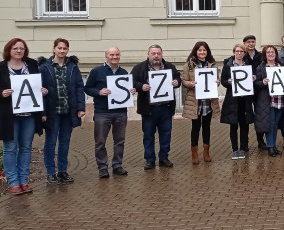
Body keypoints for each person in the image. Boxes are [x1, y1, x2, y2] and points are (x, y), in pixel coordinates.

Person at [0, 38, 47, 196]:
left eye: (22, 48)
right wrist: (1, 93)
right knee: (10, 148)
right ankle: (13, 182)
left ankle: (23, 181)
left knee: (26, 148)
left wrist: (42, 91)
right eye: (15, 48)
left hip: (28, 115)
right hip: (9, 116)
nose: (19, 51)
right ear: (9, 50)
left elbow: (36, 85)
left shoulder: (32, 65)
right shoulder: (1, 67)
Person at [38, 38, 86, 184]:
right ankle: (51, 172)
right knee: (51, 142)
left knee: (65, 142)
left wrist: (81, 107)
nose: (62, 51)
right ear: (54, 49)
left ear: (67, 50)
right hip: (52, 112)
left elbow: (79, 88)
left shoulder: (72, 67)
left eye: (65, 48)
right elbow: (38, 90)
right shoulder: (44, 67)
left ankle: (63, 171)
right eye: (59, 48)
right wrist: (42, 113)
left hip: (68, 112)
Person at [84, 47, 136, 178]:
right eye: (112, 55)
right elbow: (87, 88)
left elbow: (125, 90)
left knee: (120, 140)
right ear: (106, 56)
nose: (114, 57)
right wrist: (99, 92)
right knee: (100, 141)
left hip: (120, 112)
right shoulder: (96, 71)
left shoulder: (124, 72)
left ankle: (117, 165)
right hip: (102, 112)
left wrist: (131, 91)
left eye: (117, 54)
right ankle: (102, 167)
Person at [131, 44, 181, 170]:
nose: (156, 56)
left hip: (166, 107)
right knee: (148, 134)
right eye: (153, 53)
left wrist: (177, 82)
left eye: (158, 53)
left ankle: (164, 157)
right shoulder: (139, 68)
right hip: (148, 109)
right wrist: (141, 86)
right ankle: (150, 159)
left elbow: (178, 78)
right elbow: (131, 81)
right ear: (148, 55)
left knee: (166, 134)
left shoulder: (169, 67)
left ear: (162, 54)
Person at [181, 41, 220, 164]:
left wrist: (217, 82)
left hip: (208, 101)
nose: (202, 52)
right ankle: (194, 153)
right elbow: (184, 81)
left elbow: (215, 80)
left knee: (207, 127)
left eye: (204, 50)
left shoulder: (212, 65)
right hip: (195, 101)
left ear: (207, 52)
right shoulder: (189, 65)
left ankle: (206, 152)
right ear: (195, 51)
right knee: (195, 128)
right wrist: (190, 84)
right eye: (199, 50)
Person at [254, 45, 284, 157]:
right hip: (268, 100)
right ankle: (270, 146)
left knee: (275, 124)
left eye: (272, 52)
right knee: (270, 123)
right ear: (265, 55)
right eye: (268, 52)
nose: (270, 54)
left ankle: (273, 145)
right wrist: (262, 82)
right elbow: (256, 83)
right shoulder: (261, 67)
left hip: (280, 99)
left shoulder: (282, 66)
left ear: (276, 53)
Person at [220, 44, 255, 160]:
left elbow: (252, 79)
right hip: (233, 100)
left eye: (241, 51)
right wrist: (228, 82)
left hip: (245, 99)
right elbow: (223, 80)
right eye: (237, 51)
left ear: (244, 53)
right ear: (234, 52)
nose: (239, 53)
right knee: (233, 125)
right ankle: (235, 149)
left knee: (244, 124)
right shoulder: (228, 65)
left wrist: (253, 79)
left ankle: (244, 147)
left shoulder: (248, 65)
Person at [243, 34, 265, 149]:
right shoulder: (242, 56)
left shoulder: (261, 56)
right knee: (246, 116)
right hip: (245, 91)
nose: (251, 44)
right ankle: (245, 143)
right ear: (245, 44)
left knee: (259, 115)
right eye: (248, 42)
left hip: (258, 89)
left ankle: (260, 140)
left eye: (253, 41)